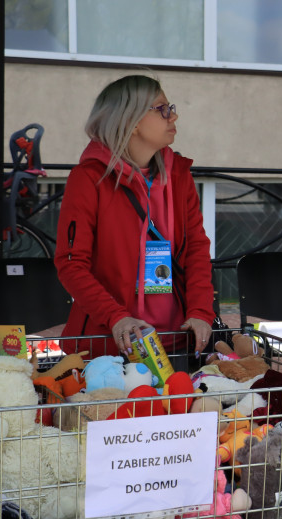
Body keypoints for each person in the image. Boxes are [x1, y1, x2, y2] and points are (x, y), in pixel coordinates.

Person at [54, 74, 214, 358]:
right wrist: (117, 317)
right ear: (132, 120)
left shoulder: (179, 175)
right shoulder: (88, 178)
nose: (173, 116)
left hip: (176, 341)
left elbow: (196, 251)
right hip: (108, 347)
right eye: (162, 108)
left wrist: (201, 311)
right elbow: (71, 264)